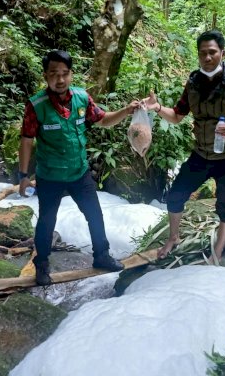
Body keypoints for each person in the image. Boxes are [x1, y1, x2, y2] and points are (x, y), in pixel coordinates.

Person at [18, 49, 140, 286]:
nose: (60, 79)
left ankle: (101, 256)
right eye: (54, 74)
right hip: (50, 175)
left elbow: (103, 120)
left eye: (65, 73)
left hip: (78, 171)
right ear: (45, 76)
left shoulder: (82, 99)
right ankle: (41, 266)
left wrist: (126, 111)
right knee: (46, 221)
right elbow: (26, 140)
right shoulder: (36, 105)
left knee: (94, 214)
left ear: (71, 75)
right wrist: (23, 176)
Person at [142, 30, 225, 263]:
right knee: (175, 196)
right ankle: (173, 238)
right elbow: (176, 116)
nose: (207, 57)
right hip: (202, 154)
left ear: (222, 53)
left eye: (212, 52)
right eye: (203, 53)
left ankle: (218, 252)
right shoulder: (193, 82)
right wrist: (156, 108)